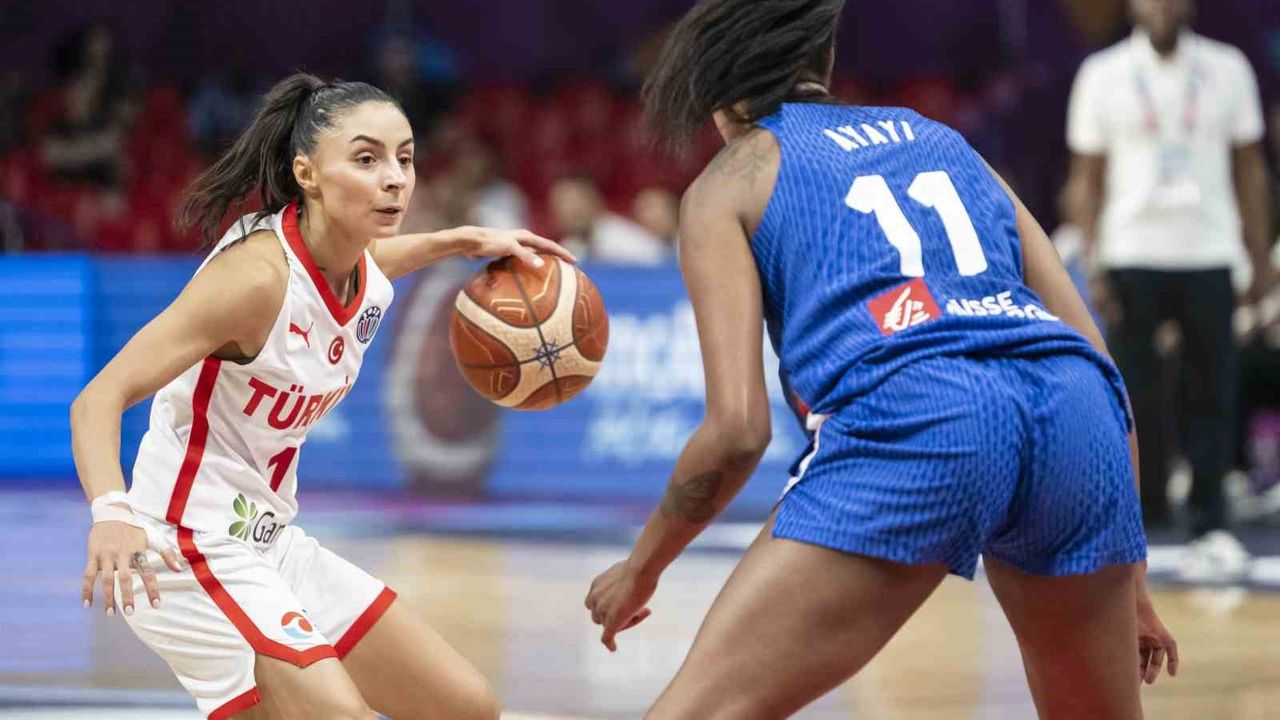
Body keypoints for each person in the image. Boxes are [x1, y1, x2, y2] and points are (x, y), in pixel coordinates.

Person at [584, 1, 1177, 717]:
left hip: (927, 417)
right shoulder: (947, 142)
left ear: (716, 86)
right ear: (822, 62)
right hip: (1076, 418)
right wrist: (1127, 578)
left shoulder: (731, 179)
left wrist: (641, 568)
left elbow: (736, 431)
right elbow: (1096, 360)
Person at [71, 73, 572, 720]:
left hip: (269, 542)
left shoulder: (352, 264)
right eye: (366, 159)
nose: (394, 178)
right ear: (306, 173)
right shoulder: (253, 280)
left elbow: (378, 262)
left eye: (404, 159)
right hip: (185, 546)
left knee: (467, 707)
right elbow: (99, 397)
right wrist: (111, 513)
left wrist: (463, 241)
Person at [1065, 0, 1271, 581]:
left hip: (1209, 249)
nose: (1161, 6)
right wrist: (1093, 262)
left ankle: (1210, 517)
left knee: (1213, 388)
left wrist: (1259, 257)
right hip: (1131, 250)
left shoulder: (1228, 68)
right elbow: (1087, 180)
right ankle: (1144, 512)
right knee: (1133, 390)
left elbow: (1250, 169)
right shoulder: (1102, 73)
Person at [549, 174, 670, 265]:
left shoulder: (623, 239)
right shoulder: (569, 246)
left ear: (594, 201)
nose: (569, 211)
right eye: (561, 203)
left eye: (575, 201)